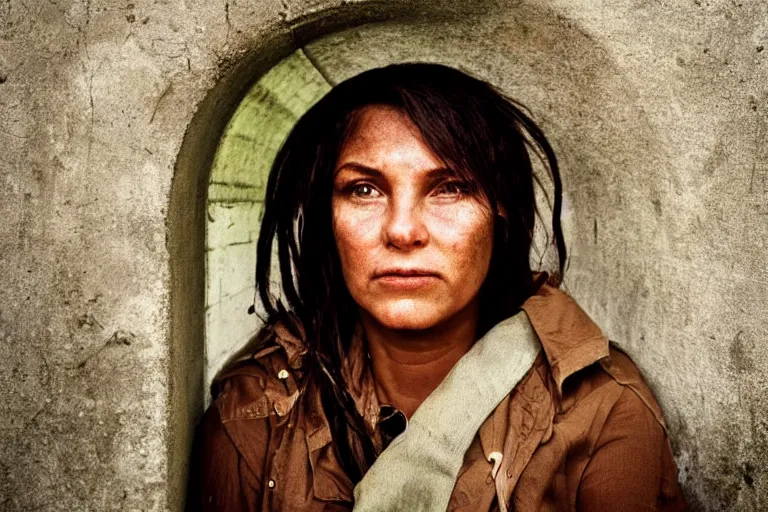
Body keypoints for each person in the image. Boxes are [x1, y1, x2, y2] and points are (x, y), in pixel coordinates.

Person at [187, 63, 688, 511]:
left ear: (500, 208)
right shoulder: (257, 412)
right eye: (364, 189)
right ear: (327, 215)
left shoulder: (600, 409)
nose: (403, 231)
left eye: (450, 187)